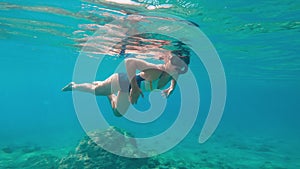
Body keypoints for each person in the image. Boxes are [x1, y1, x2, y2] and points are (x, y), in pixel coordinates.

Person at [62, 50, 190, 117]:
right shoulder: (156, 70)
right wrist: (134, 88)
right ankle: (74, 86)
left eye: (180, 65)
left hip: (129, 88)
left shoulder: (175, 73)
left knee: (117, 113)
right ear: (167, 60)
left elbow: (174, 78)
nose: (176, 67)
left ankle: (110, 94)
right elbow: (129, 62)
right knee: (97, 91)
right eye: (174, 61)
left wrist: (172, 88)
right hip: (122, 81)